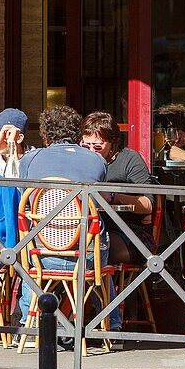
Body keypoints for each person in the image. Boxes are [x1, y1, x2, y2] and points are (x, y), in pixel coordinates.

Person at [16, 106, 118, 337]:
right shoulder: (96, 161)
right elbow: (100, 200)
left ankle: (29, 326)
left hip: (42, 254)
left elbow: (25, 202)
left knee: (26, 261)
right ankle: (111, 326)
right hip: (87, 256)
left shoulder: (30, 160)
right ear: (76, 133)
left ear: (45, 134)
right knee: (102, 267)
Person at [80, 111, 156, 265]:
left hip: (127, 231)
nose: (91, 152)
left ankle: (97, 288)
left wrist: (114, 196)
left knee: (93, 250)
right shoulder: (79, 160)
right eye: (85, 146)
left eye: (97, 147)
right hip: (87, 228)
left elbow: (148, 205)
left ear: (112, 142)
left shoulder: (129, 159)